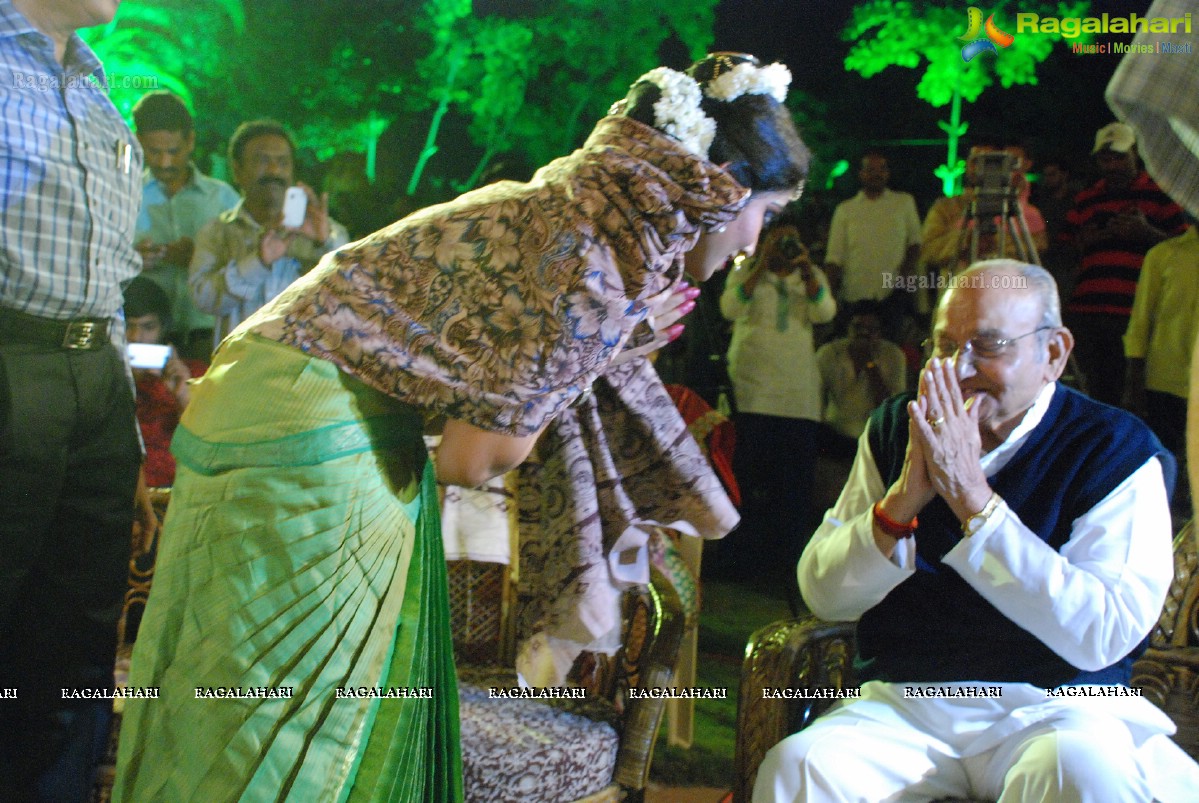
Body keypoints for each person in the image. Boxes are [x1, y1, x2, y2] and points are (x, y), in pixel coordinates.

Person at [114, 53, 809, 801]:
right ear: (710, 190)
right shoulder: (592, 265)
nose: (751, 244)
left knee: (259, 696)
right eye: (764, 213)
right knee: (294, 719)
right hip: (309, 428)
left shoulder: (566, 213)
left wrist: (609, 343)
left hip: (265, 396)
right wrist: (601, 345)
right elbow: (472, 461)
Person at [753, 259, 1199, 803]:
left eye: (987, 347)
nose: (958, 370)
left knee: (1084, 774)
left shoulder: (1114, 448)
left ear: (1053, 354)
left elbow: (1102, 632)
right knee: (801, 767)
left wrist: (974, 502)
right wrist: (900, 503)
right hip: (908, 705)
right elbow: (823, 594)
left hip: (1057, 709)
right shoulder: (897, 426)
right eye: (944, 347)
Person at [0, 0, 154, 799]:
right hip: (10, 356)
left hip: (94, 379)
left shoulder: (96, 83)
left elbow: (111, 267)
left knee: (78, 627)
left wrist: (118, 399)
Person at [719, 217, 835, 585]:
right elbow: (729, 309)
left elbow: (826, 312)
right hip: (752, 392)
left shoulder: (810, 274)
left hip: (797, 397)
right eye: (778, 241)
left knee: (791, 489)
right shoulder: (745, 272)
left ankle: (784, 566)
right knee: (747, 480)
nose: (785, 249)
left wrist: (805, 271)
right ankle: (739, 562)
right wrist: (759, 266)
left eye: (792, 242)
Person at [188, 119, 349, 352]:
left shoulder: (325, 231)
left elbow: (350, 295)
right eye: (262, 161)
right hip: (238, 372)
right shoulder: (216, 233)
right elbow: (203, 300)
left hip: (303, 375)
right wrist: (258, 262)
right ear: (237, 170)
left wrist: (323, 244)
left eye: (282, 162)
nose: (274, 171)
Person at [1061, 122, 1186, 407]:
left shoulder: (1160, 193)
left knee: (1131, 391)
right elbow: (1064, 247)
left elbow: (1182, 248)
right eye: (1106, 158)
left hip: (1135, 309)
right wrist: (1088, 239)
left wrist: (1146, 234)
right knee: (1094, 388)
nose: (1113, 165)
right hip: (1089, 308)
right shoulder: (1087, 197)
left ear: (1135, 155)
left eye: (1120, 157)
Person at [132, 90, 239, 356]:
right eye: (153, 152)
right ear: (138, 142)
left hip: (210, 338)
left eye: (173, 151)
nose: (164, 162)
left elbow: (251, 262)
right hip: (147, 340)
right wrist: (133, 259)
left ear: (190, 141)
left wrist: (202, 256)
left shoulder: (222, 197)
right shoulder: (126, 195)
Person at [824, 151, 921, 335]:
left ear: (888, 173)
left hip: (892, 296)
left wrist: (904, 279)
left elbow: (915, 243)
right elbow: (834, 256)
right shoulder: (845, 210)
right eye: (870, 169)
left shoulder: (904, 203)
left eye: (881, 169)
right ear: (861, 174)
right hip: (854, 296)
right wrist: (830, 297)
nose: (876, 174)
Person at [123, 277, 208, 488]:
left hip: (175, 488)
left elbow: (210, 445)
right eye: (128, 326)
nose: (136, 336)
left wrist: (182, 396)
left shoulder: (194, 374)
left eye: (148, 327)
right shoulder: (102, 375)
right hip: (122, 488)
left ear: (163, 328)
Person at [922, 143, 1049, 278]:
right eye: (976, 161)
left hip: (1007, 290)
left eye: (992, 162)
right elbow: (928, 251)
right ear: (967, 165)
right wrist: (967, 240)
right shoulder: (945, 207)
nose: (982, 168)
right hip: (960, 289)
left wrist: (993, 240)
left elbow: (1036, 249)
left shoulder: (1022, 212)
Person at [816, 299, 907, 451]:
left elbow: (893, 411)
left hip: (875, 438)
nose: (863, 334)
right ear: (848, 328)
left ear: (880, 332)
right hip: (835, 435)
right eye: (858, 327)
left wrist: (869, 365)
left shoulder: (893, 356)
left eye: (871, 329)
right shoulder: (829, 354)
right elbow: (815, 401)